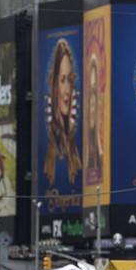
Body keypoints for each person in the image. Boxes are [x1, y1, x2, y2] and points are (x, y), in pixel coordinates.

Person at [43, 38, 81, 187]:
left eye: (70, 81)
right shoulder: (51, 138)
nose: (67, 90)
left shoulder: (74, 137)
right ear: (54, 85)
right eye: (62, 80)